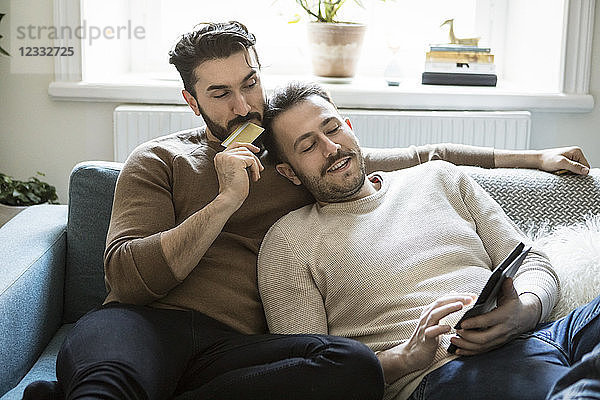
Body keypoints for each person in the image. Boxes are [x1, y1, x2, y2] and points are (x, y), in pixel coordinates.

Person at [24, 21, 591, 400]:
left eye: (250, 83)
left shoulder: (293, 157)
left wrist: (535, 155)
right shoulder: (160, 159)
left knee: (353, 366)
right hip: (147, 325)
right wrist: (225, 202)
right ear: (191, 101)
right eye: (220, 94)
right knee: (111, 385)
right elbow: (127, 278)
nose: (244, 105)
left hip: (244, 348)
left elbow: (422, 157)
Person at [257, 80, 600, 400]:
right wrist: (404, 358)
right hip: (449, 370)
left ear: (349, 127)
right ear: (289, 172)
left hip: (544, 331)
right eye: (308, 146)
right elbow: (311, 380)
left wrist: (525, 310)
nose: (331, 148)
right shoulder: (288, 242)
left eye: (332, 129)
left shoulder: (439, 177)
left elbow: (531, 260)